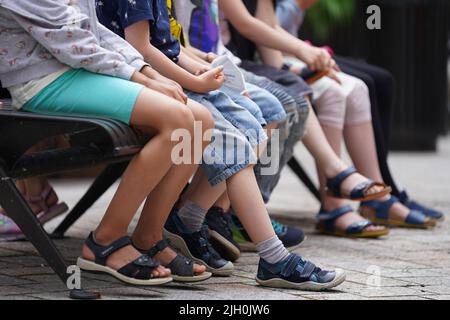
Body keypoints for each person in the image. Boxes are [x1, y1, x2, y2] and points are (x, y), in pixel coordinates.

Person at [96, 0, 374, 291]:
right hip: (156, 85)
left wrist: (208, 70)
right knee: (234, 144)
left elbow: (171, 46)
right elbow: (141, 49)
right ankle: (273, 256)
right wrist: (196, 80)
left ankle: (192, 220)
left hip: (174, 78)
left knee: (258, 117)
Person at [0, 0, 216, 284]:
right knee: (177, 119)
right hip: (43, 79)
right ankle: (105, 240)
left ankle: (149, 236)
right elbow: (68, 36)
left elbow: (94, 28)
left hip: (80, 68)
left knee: (200, 120)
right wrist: (141, 78)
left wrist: (148, 73)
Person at [251, 0, 436, 232]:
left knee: (359, 88)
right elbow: (250, 25)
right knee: (331, 92)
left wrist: (300, 56)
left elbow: (268, 26)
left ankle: (377, 196)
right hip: (247, 63)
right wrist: (300, 55)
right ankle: (334, 202)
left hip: (276, 58)